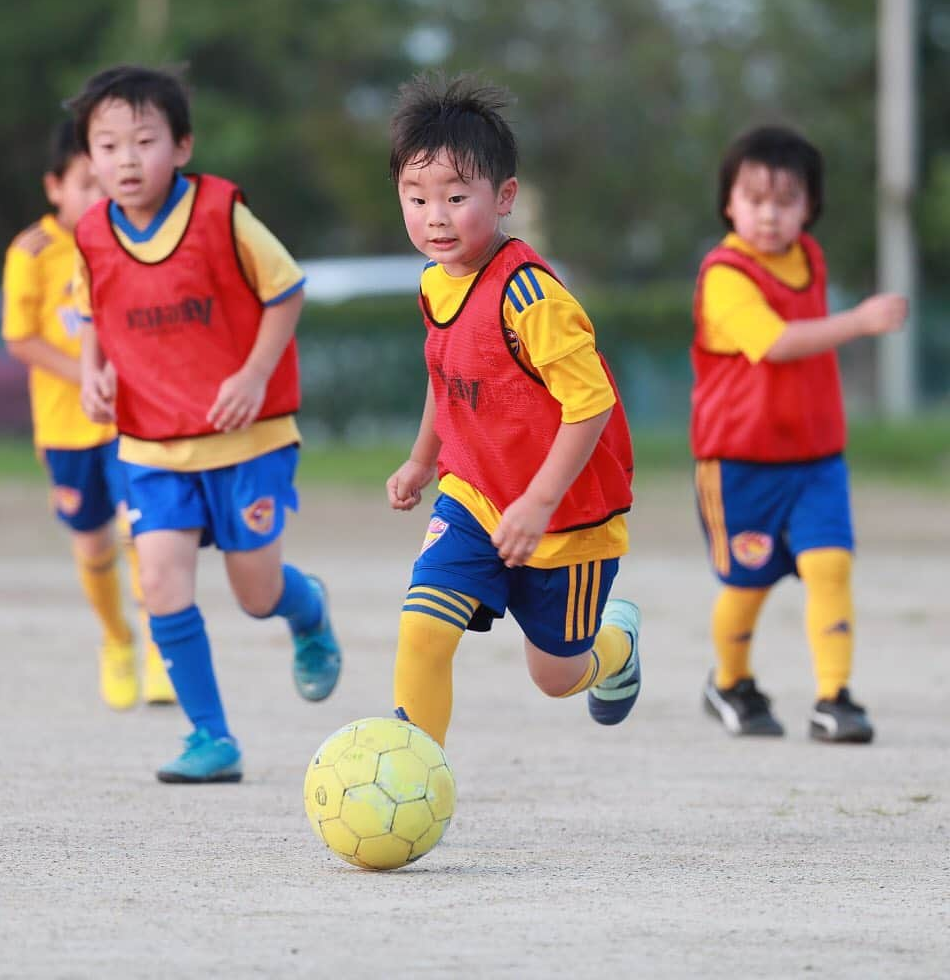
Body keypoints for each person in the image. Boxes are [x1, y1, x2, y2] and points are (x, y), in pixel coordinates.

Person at [67, 64, 341, 783]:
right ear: (89, 158)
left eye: (144, 141)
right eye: (107, 146)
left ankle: (306, 610)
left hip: (247, 438)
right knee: (159, 583)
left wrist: (252, 375)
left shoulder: (222, 215)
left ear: (182, 146)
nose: (126, 160)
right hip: (151, 444)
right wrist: (95, 369)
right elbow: (94, 310)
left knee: (256, 595)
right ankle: (210, 738)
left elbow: (287, 293)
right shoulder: (92, 233)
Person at [384, 74, 642, 749]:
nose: (434, 216)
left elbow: (590, 406)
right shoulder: (434, 283)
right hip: (472, 494)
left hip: (567, 516)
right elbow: (446, 376)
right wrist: (421, 459)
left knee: (556, 676)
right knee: (423, 629)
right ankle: (415, 773)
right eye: (416, 198)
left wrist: (537, 501)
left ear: (504, 198)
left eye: (456, 197)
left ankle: (616, 648)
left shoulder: (532, 298)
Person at [692, 125, 909, 743]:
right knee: (748, 582)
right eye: (754, 199)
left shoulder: (808, 256)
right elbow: (776, 344)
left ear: (809, 207)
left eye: (786, 201)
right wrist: (861, 321)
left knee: (830, 565)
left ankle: (833, 698)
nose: (769, 215)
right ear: (729, 203)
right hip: (739, 462)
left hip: (815, 456)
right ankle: (730, 681)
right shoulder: (725, 273)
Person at [2, 121, 175, 711]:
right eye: (84, 184)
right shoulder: (32, 253)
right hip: (66, 427)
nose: (97, 196)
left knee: (143, 534)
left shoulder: (132, 241)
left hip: (130, 423)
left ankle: (159, 648)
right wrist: (92, 376)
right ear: (55, 187)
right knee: (93, 543)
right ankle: (116, 638)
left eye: (104, 184)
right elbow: (21, 339)